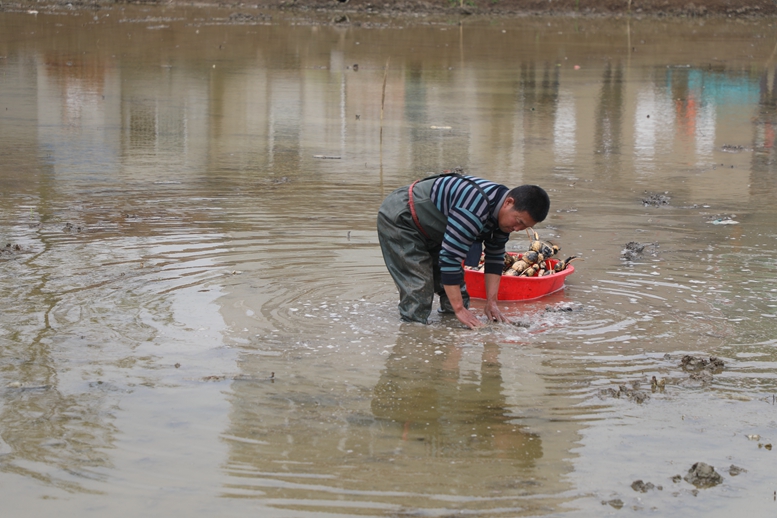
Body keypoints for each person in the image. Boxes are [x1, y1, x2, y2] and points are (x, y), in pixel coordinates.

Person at [377, 169, 550, 329]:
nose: (518, 229)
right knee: (419, 290)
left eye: (524, 227)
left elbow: (495, 257)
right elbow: (450, 258)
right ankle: (413, 338)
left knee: (458, 291)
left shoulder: (504, 217)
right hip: (403, 218)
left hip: (434, 228)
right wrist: (459, 310)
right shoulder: (474, 206)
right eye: (518, 222)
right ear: (508, 202)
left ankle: (451, 334)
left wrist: (491, 302)